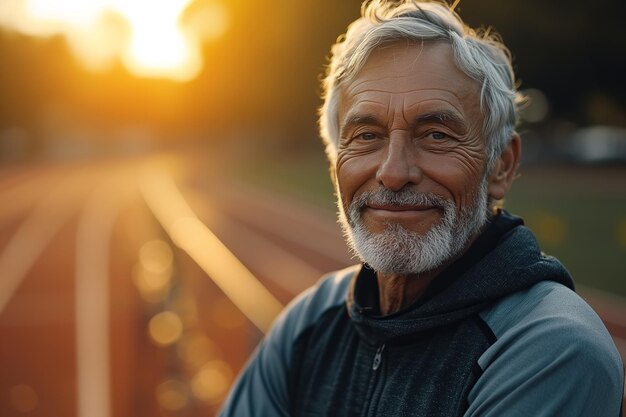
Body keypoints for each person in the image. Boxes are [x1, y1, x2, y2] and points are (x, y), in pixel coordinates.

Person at [219, 1, 625, 416]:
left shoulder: (551, 348)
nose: (393, 173)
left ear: (501, 165)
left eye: (435, 134)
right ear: (335, 160)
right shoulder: (308, 322)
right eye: (366, 135)